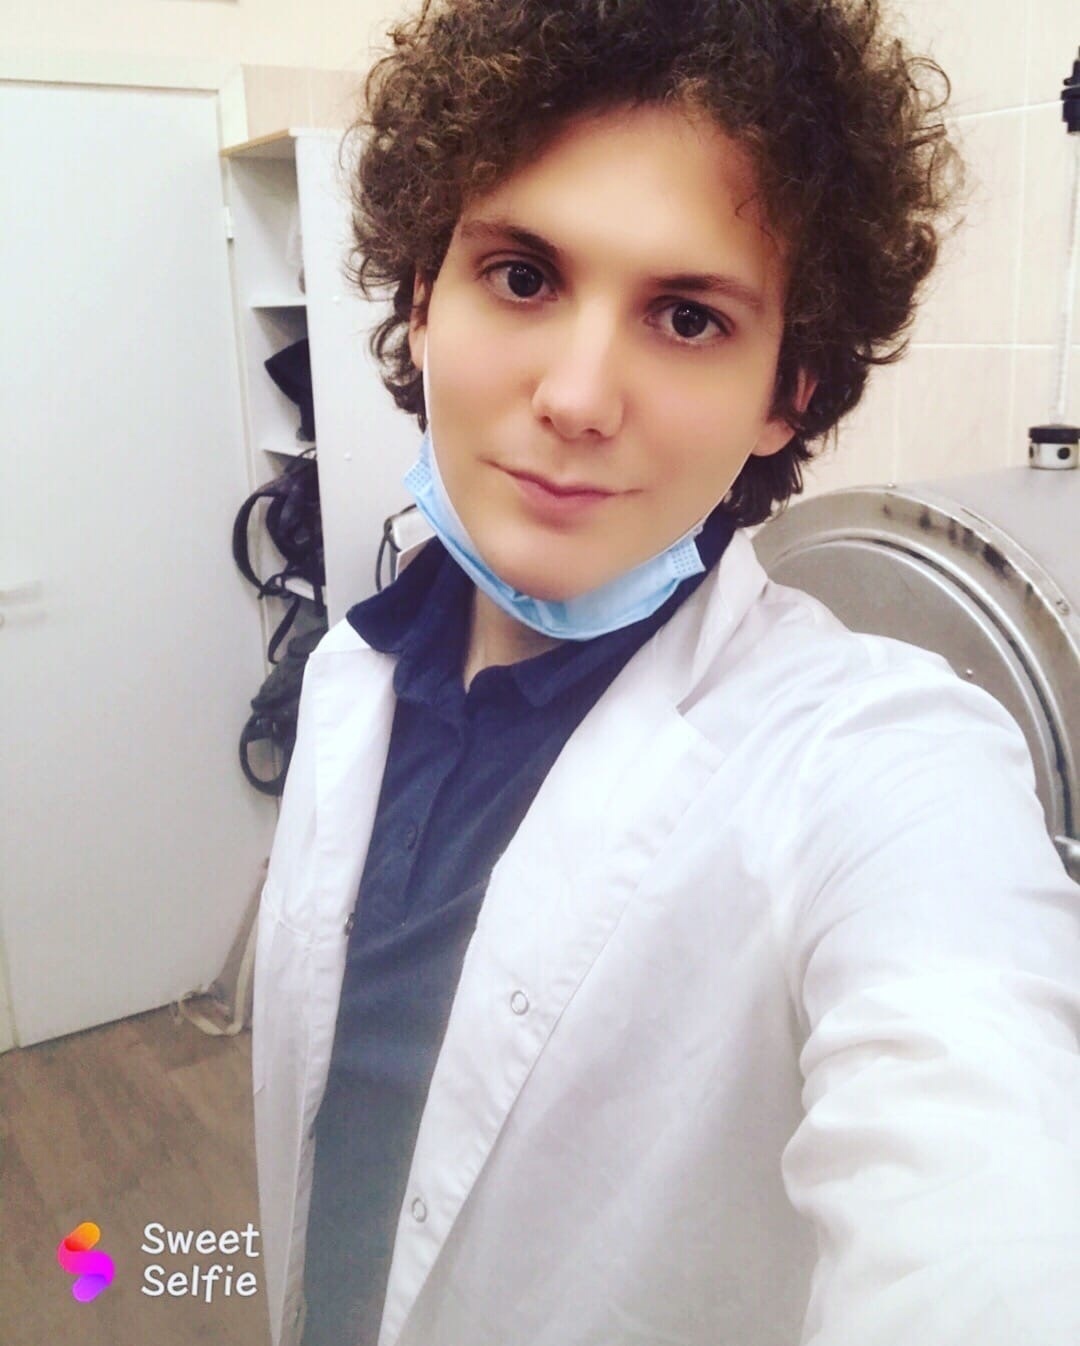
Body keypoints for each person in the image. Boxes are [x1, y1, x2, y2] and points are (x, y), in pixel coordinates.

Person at [251, 2, 1080, 1344]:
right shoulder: (358, 672)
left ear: (788, 391)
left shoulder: (880, 762)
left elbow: (984, 1175)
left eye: (688, 317)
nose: (579, 397)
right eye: (522, 275)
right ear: (422, 298)